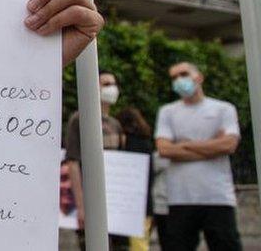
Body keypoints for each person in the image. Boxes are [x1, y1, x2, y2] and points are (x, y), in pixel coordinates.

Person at [155, 62, 242, 251]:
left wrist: (184, 144)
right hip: (179, 198)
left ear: (199, 77)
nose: (179, 80)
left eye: (184, 74)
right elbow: (165, 150)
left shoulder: (223, 109)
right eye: (174, 77)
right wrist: (211, 146)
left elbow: (229, 144)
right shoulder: (168, 112)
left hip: (217, 197)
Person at [64, 70, 127, 250]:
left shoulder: (115, 124)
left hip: (115, 202)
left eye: (113, 84)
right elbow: (73, 162)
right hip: (90, 199)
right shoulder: (79, 119)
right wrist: (81, 205)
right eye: (106, 84)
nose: (111, 88)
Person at [116, 106, 155, 251]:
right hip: (144, 204)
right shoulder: (146, 143)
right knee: (140, 244)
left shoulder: (124, 143)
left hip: (124, 205)